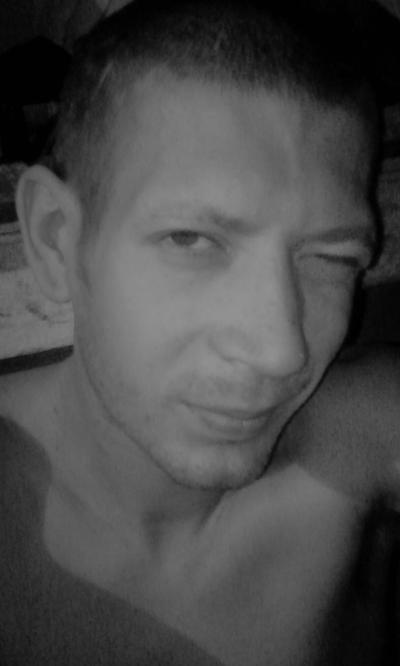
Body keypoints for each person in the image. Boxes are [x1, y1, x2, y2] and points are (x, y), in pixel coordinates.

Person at [0, 0, 399, 663]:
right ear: (56, 241)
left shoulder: (363, 430)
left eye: (331, 259)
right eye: (190, 239)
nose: (281, 351)